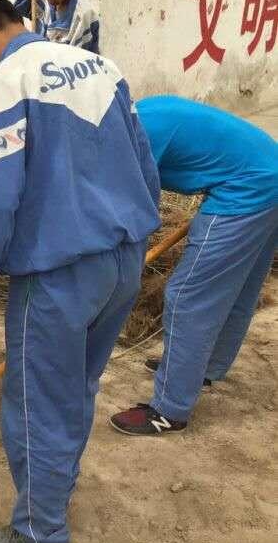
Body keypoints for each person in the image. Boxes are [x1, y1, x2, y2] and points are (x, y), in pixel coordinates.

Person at [0, 0, 159, 543]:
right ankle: (56, 488)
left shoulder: (7, 83)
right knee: (76, 387)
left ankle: (41, 533)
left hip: (59, 272)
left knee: (38, 401)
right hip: (123, 258)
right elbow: (144, 162)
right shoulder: (98, 67)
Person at [110, 95, 278, 435]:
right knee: (239, 289)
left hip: (246, 191)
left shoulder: (134, 135)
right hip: (267, 174)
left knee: (188, 296)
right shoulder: (139, 112)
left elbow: (135, 211)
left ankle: (169, 410)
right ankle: (202, 367)